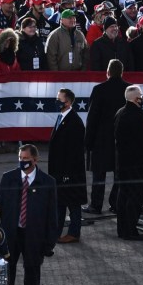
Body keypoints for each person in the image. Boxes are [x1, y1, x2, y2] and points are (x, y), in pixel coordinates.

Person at [0, 144, 59, 285]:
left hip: (33, 239)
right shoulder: (8, 178)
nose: (22, 162)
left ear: (35, 160)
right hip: (11, 239)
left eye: (26, 159)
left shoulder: (47, 182)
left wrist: (49, 244)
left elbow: (52, 216)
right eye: (20, 158)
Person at [84, 59, 129, 215]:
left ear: (107, 72)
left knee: (99, 174)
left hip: (101, 139)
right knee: (119, 174)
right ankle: (115, 203)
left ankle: (96, 205)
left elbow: (92, 118)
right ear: (122, 72)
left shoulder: (99, 90)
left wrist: (87, 141)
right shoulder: (128, 89)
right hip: (121, 139)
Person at [113, 84, 143, 241]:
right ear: (137, 99)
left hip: (122, 163)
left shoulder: (119, 113)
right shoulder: (139, 115)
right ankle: (131, 230)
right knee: (135, 198)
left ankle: (122, 229)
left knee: (122, 196)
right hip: (138, 165)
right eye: (141, 96)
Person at [49, 88, 87, 244]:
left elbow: (75, 151)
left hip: (69, 172)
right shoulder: (62, 117)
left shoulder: (74, 122)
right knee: (60, 202)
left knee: (73, 203)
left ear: (69, 102)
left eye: (60, 99)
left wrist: (67, 174)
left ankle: (74, 233)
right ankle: (56, 232)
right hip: (59, 170)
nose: (57, 102)